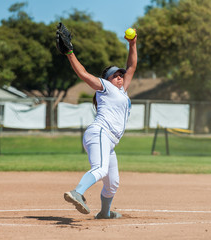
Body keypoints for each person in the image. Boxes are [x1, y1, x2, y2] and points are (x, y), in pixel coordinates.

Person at [63, 28, 137, 219]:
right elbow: (84, 74)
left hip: (109, 141)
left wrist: (133, 44)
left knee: (112, 183)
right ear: (107, 80)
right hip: (100, 133)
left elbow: (131, 67)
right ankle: (77, 192)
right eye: (115, 75)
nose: (120, 77)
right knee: (100, 169)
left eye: (121, 75)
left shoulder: (122, 92)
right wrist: (70, 53)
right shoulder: (105, 88)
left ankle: (104, 213)